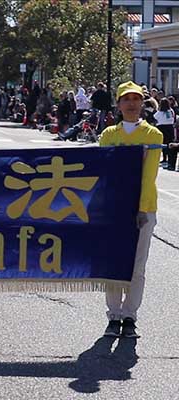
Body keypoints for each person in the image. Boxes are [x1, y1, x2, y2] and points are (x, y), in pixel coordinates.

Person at [99, 81, 163, 339]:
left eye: (136, 99)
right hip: (114, 209)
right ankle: (113, 316)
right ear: (119, 104)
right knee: (114, 265)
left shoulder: (153, 136)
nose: (132, 103)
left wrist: (141, 208)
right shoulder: (108, 135)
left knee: (137, 267)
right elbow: (104, 172)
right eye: (127, 99)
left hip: (143, 208)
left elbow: (148, 176)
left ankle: (130, 316)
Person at [153, 98, 175, 169]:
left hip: (162, 128)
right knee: (169, 143)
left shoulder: (160, 112)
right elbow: (173, 118)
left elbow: (155, 117)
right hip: (170, 128)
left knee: (163, 143)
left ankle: (164, 158)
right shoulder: (171, 111)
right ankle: (169, 158)